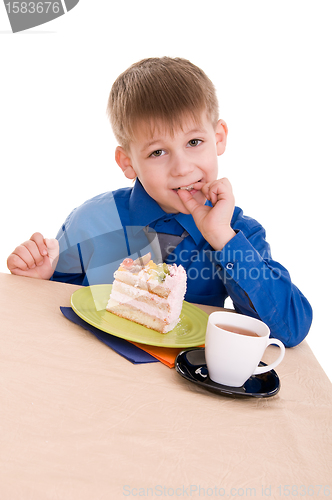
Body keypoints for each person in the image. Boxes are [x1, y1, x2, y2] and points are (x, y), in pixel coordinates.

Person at [7, 57, 312, 347]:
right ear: (127, 162)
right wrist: (39, 283)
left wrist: (222, 238)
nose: (182, 168)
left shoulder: (236, 233)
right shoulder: (93, 220)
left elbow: (290, 328)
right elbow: (59, 307)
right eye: (157, 152)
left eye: (194, 142)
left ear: (218, 138)